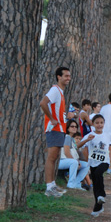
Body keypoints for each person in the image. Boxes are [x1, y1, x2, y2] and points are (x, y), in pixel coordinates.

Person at [79, 115, 111, 217]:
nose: (99, 125)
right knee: (96, 183)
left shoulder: (107, 135)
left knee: (98, 174)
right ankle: (98, 207)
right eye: (97, 123)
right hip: (93, 163)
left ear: (104, 124)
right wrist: (87, 140)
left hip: (104, 162)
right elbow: (78, 145)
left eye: (101, 122)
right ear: (93, 124)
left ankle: (102, 195)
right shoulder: (90, 135)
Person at [40, 66, 70, 198]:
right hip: (54, 129)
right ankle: (49, 187)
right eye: (66, 76)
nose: (68, 78)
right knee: (51, 158)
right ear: (59, 77)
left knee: (55, 157)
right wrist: (52, 118)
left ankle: (52, 185)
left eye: (69, 76)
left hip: (60, 129)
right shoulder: (55, 90)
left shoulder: (60, 92)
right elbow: (43, 103)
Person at [58, 119, 89, 190]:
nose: (74, 128)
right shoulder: (67, 137)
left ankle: (77, 183)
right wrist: (77, 162)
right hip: (62, 160)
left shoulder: (71, 138)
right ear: (67, 128)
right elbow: (66, 152)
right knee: (74, 162)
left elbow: (75, 149)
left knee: (86, 165)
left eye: (76, 126)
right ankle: (71, 184)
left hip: (67, 161)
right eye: (72, 126)